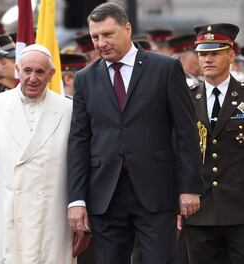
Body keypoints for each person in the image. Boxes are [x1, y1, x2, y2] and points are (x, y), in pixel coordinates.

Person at [67, 3, 204, 264]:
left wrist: (189, 187)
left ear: (127, 28)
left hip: (156, 191)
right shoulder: (85, 79)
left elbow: (186, 131)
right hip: (105, 194)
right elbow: (79, 140)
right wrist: (76, 199)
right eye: (95, 37)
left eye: (108, 34)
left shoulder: (164, 69)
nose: (100, 43)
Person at [0, 44, 76, 263]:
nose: (33, 78)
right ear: (18, 70)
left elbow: (78, 168)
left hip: (52, 220)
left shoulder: (69, 110)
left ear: (51, 74)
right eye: (27, 71)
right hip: (3, 215)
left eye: (40, 72)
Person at [184, 23, 244, 264]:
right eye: (202, 54)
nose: (207, 59)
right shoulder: (187, 99)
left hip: (240, 209)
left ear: (231, 54)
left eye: (215, 53)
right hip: (199, 212)